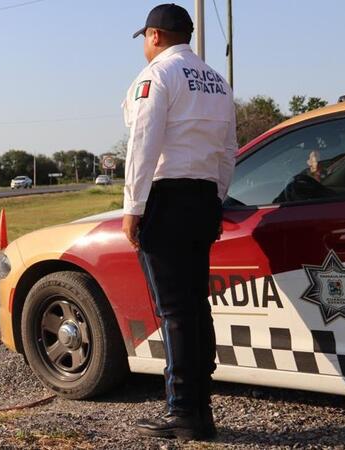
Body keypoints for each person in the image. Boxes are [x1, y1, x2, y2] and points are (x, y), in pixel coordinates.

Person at [121, 3, 237, 441]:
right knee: (193, 307)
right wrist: (216, 197)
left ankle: (184, 412)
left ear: (154, 36)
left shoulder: (156, 76)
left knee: (174, 312)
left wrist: (134, 207)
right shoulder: (217, 82)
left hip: (166, 198)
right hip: (204, 197)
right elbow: (229, 148)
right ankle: (197, 407)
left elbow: (142, 145)